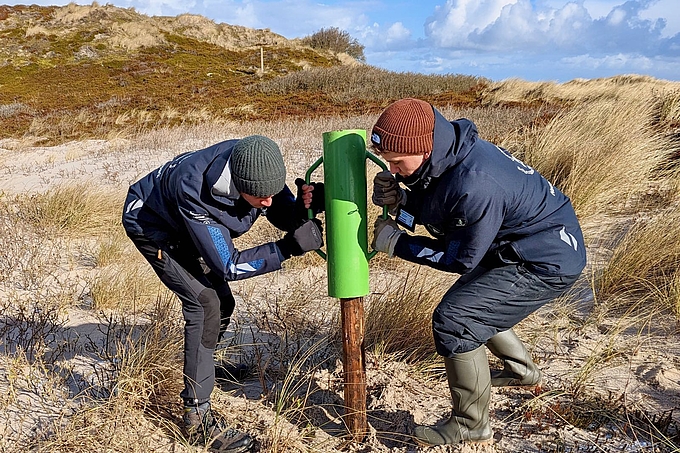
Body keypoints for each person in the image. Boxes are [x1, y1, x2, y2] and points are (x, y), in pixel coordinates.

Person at [369, 98, 586, 446]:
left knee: (456, 318)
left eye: (397, 162)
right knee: (473, 304)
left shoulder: (475, 183)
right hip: (521, 242)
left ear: (423, 149)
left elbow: (459, 258)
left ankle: (471, 425)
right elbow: (442, 211)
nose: (392, 171)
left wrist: (397, 245)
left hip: (546, 260)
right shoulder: (450, 155)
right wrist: (402, 204)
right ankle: (522, 372)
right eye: (387, 163)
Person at [122, 135, 324, 453]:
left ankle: (203, 368)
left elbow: (279, 212)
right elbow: (228, 266)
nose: (268, 200)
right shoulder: (193, 187)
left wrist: (303, 207)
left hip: (185, 221)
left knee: (223, 302)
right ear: (240, 181)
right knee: (205, 304)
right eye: (260, 196)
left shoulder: (258, 162)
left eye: (274, 191)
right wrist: (287, 248)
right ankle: (196, 420)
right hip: (152, 224)